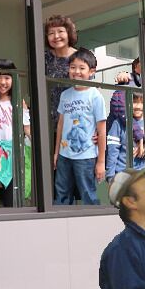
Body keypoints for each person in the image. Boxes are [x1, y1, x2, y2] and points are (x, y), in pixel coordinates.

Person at [54, 48, 106, 205]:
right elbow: (61, 124)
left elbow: (102, 130)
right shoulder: (65, 95)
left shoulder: (95, 95)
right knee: (61, 193)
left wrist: (101, 162)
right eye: (72, 67)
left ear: (91, 71)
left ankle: (92, 226)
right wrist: (56, 153)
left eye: (82, 68)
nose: (76, 71)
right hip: (64, 155)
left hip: (86, 156)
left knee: (87, 193)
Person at [0, 60, 30, 209]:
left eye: (7, 77)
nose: (3, 82)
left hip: (11, 153)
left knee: (10, 191)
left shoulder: (18, 102)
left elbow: (26, 128)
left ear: (14, 79)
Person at [43, 15, 79, 128]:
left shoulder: (81, 57)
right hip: (49, 116)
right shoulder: (44, 57)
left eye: (60, 31)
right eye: (51, 33)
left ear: (69, 33)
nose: (56, 36)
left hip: (74, 115)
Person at [105, 93, 145, 177]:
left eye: (142, 102)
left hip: (142, 174)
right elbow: (112, 152)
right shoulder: (118, 124)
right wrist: (110, 176)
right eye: (134, 102)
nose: (138, 106)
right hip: (122, 174)